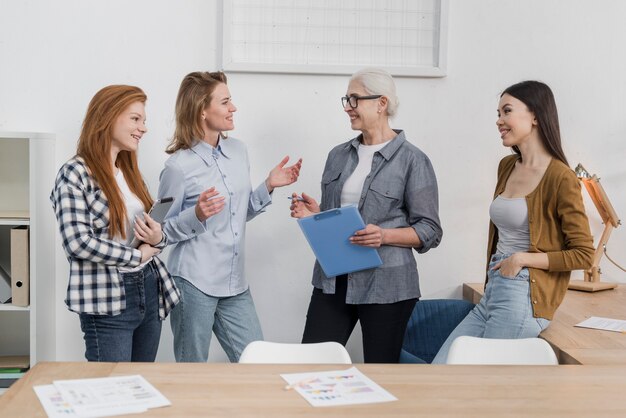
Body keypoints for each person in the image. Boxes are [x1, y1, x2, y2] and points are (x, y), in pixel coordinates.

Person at [432, 81, 594, 364]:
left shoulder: (561, 177)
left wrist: (522, 259)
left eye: (507, 111)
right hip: (494, 289)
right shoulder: (507, 166)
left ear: (535, 116)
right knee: (442, 369)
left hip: (524, 297)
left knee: (485, 387)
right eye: (498, 113)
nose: (499, 120)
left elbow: (583, 255)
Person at [290, 68, 443, 363]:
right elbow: (341, 219)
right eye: (346, 99)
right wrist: (315, 214)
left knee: (381, 373)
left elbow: (430, 230)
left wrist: (384, 235)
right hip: (333, 279)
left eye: (355, 99)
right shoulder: (338, 155)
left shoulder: (413, 160)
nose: (348, 107)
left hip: (388, 287)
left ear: (381, 103)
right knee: (310, 364)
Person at [158, 71, 302, 363]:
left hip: (235, 283)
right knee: (191, 371)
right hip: (193, 282)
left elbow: (238, 213)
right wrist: (196, 215)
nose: (233, 108)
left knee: (258, 363)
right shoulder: (177, 167)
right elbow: (160, 232)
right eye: (225, 102)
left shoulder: (238, 151)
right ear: (202, 110)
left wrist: (269, 185)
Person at [50, 85, 180, 362]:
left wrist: (157, 238)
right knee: (111, 390)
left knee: (140, 384)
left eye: (143, 121)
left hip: (148, 287)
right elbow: (78, 243)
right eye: (135, 119)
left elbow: (154, 234)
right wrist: (136, 255)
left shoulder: (130, 173)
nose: (143, 128)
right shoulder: (74, 173)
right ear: (107, 116)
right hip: (107, 296)